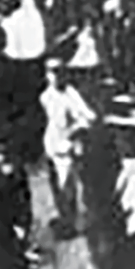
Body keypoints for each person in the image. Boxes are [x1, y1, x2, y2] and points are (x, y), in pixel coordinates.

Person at [40, 56, 96, 238]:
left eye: (59, 72)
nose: (56, 76)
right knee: (56, 187)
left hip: (67, 150)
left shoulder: (71, 94)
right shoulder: (45, 96)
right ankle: (65, 221)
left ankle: (72, 223)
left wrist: (74, 131)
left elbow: (89, 117)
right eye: (51, 72)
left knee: (68, 188)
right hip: (51, 147)